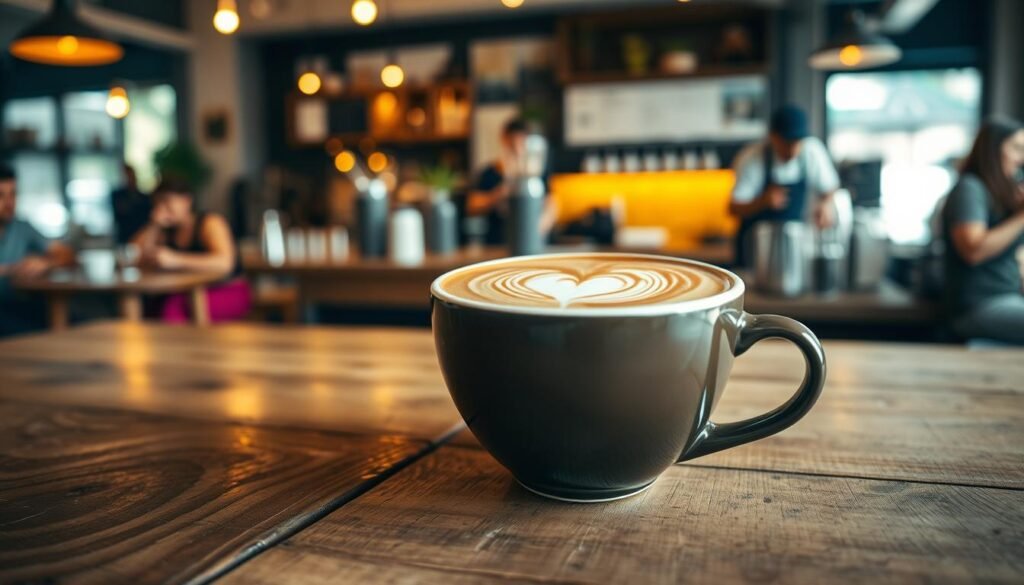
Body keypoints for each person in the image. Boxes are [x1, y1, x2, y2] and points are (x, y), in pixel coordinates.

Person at [941, 116, 1024, 344]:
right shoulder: (970, 188)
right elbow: (973, 251)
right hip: (977, 305)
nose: (1022, 158)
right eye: (1017, 148)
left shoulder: (1004, 197)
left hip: (1006, 298)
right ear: (993, 151)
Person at [729, 105, 840, 267]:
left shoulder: (812, 151)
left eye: (798, 142)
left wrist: (825, 203)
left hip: (793, 247)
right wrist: (763, 201)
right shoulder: (751, 158)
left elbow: (829, 187)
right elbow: (733, 208)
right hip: (755, 251)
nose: (794, 149)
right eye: (788, 142)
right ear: (773, 137)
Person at [131, 178, 251, 323]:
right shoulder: (167, 229)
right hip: (186, 291)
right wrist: (154, 225)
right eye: (157, 203)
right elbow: (134, 254)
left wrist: (175, 260)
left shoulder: (209, 223)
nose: (162, 208)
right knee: (153, 308)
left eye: (167, 201)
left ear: (187, 201)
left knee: (171, 310)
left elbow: (225, 264)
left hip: (226, 289)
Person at [0, 164, 75, 336]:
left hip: (18, 305)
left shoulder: (22, 227)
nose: (9, 203)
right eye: (1, 195)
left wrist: (46, 263)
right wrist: (14, 268)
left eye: (13, 194)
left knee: (76, 321)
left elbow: (67, 254)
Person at [467, 118, 558, 245]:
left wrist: (538, 227)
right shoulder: (489, 172)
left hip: (532, 242)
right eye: (513, 143)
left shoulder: (536, 173)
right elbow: (473, 204)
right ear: (504, 140)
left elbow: (551, 204)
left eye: (521, 143)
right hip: (498, 243)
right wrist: (497, 195)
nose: (517, 149)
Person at [110, 163, 151, 244]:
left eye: (131, 175)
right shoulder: (117, 195)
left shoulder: (144, 197)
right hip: (123, 236)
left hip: (141, 234)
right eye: (126, 176)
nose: (129, 179)